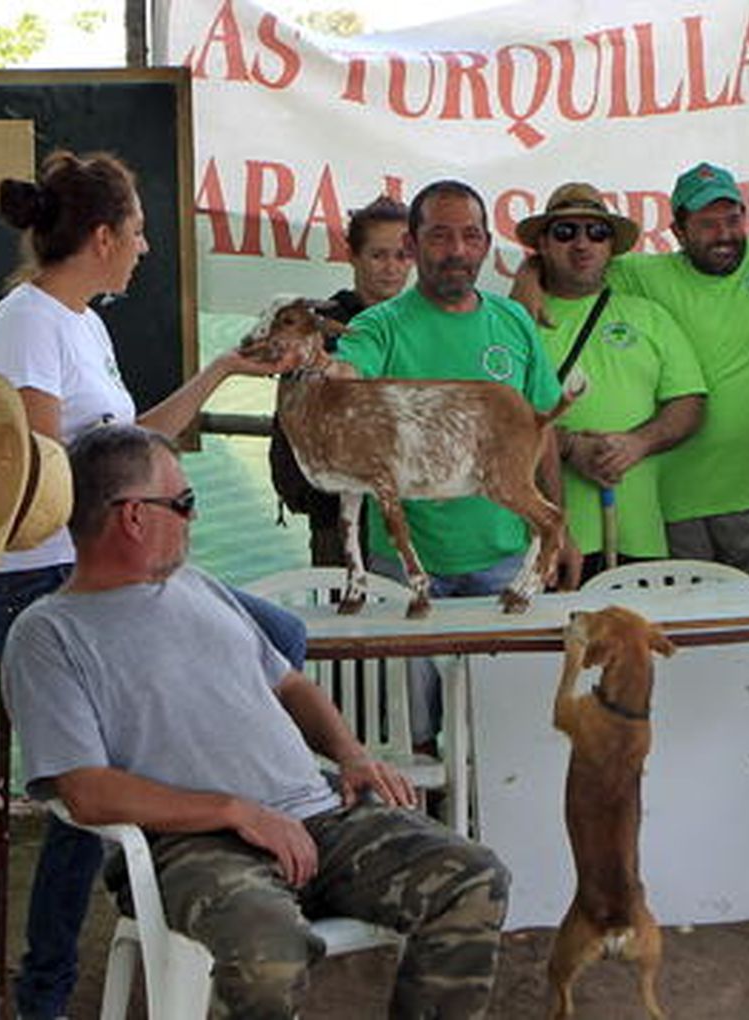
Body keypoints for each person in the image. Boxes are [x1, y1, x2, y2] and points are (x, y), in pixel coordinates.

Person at [2, 424, 510, 1017]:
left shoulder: (199, 587)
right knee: (269, 951)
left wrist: (351, 755)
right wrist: (236, 812)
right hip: (194, 846)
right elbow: (85, 792)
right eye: (184, 503)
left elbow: (291, 684)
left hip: (319, 817)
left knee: (473, 877)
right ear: (134, 517)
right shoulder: (49, 634)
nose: (193, 517)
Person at [0, 149, 307, 1020]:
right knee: (87, 777)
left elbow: (133, 451)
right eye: (136, 232)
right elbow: (43, 482)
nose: (145, 249)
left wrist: (225, 370)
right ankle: (49, 980)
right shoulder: (26, 322)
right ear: (101, 236)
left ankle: (198, 844)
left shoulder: (84, 321)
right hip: (38, 582)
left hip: (99, 563)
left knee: (280, 638)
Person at [333, 179, 567, 752]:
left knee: (500, 735)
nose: (456, 250)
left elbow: (543, 431)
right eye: (439, 236)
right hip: (407, 566)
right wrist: (335, 375)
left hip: (504, 560)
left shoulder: (514, 324)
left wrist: (560, 529)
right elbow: (348, 373)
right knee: (407, 737)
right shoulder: (378, 326)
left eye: (469, 236)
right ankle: (423, 839)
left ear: (488, 244)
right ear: (413, 245)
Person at [577, 162, 749, 576]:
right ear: (678, 231)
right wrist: (528, 280)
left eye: (733, 219)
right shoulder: (644, 274)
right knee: (691, 626)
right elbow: (567, 266)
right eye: (707, 224)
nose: (724, 234)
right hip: (675, 498)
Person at [516, 182, 706, 581]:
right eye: (565, 233)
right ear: (544, 245)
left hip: (638, 536)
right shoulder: (515, 320)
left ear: (610, 247)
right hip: (544, 539)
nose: (582, 244)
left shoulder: (649, 315)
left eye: (596, 233)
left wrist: (638, 443)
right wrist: (568, 447)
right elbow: (501, 418)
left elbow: (689, 403)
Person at [268, 195, 411, 566]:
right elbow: (291, 424)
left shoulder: (422, 325)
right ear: (353, 256)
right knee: (349, 621)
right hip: (339, 514)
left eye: (402, 255)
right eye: (379, 255)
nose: (392, 268)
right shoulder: (316, 330)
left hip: (413, 512)